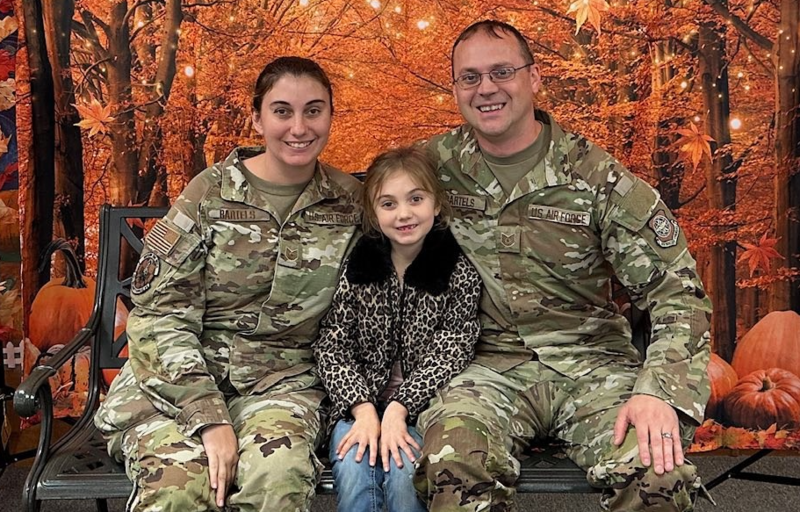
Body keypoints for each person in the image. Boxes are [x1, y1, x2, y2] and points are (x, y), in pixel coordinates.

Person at [415, 20, 713, 512]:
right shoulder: (431, 168)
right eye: (469, 77)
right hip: (486, 366)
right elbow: (356, 221)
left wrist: (659, 392)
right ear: (455, 89)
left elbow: (677, 293)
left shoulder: (597, 178)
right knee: (452, 459)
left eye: (502, 72)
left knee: (657, 471)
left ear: (534, 79)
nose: (485, 88)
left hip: (594, 366)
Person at [94, 56, 362, 512]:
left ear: (331, 117)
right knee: (179, 485)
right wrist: (207, 416)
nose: (299, 126)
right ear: (256, 118)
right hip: (177, 383)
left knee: (278, 481)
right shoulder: (211, 192)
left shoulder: (350, 202)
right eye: (282, 111)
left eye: (314, 110)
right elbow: (160, 315)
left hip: (282, 385)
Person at [313, 146, 482, 512]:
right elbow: (333, 346)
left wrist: (401, 407)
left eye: (415, 199)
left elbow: (454, 348)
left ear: (436, 204)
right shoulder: (360, 266)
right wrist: (362, 408)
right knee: (356, 467)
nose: (404, 214)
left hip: (424, 407)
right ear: (374, 214)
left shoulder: (456, 270)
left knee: (405, 472)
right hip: (358, 406)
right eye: (388, 204)